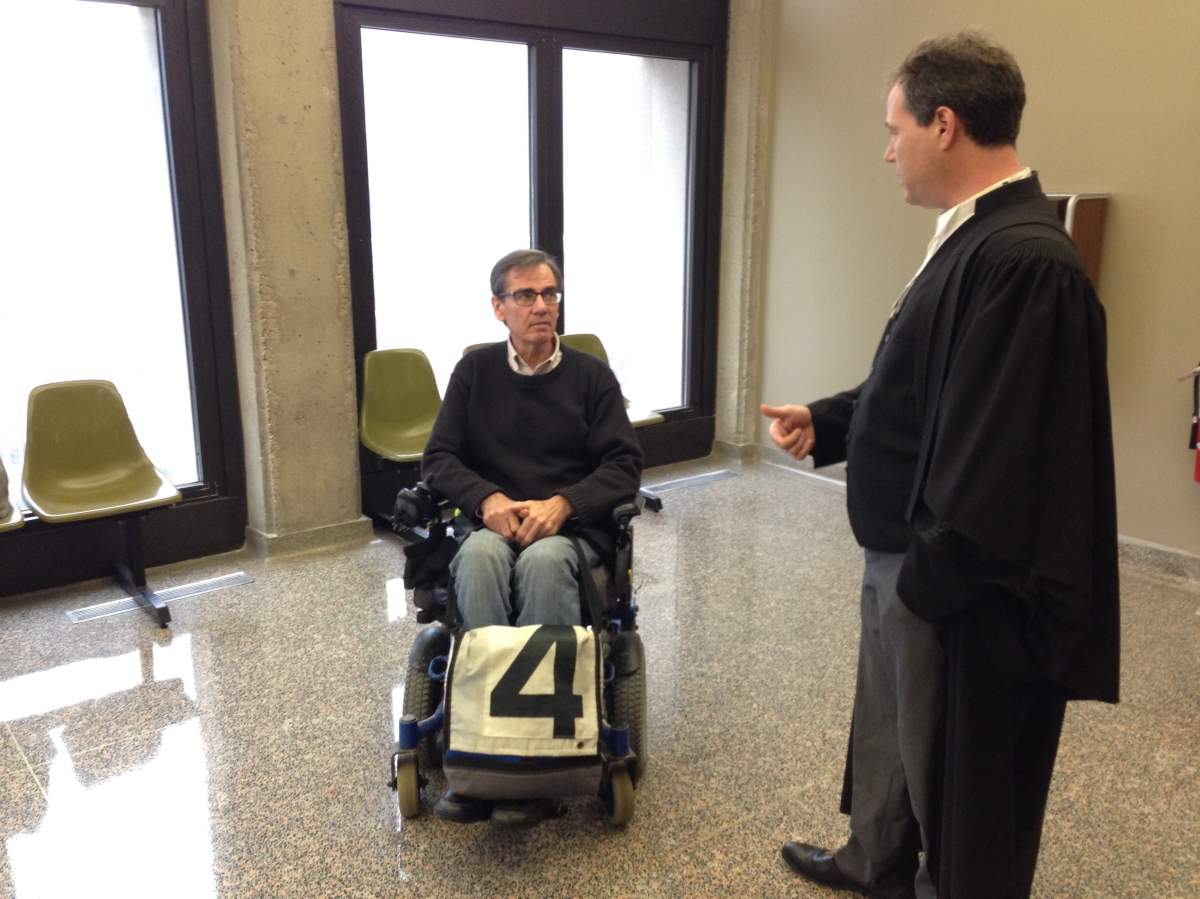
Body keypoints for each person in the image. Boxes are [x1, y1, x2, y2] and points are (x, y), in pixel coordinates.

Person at [763, 32, 1119, 899]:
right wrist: (832, 419)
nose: (888, 150)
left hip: (950, 584)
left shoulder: (1027, 261)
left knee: (947, 761)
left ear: (946, 124)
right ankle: (871, 859)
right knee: (889, 735)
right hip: (905, 559)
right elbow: (921, 386)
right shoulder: (970, 236)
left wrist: (926, 581)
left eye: (895, 129)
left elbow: (998, 451)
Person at [421, 248, 643, 824]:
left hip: (568, 528)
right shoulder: (474, 373)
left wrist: (565, 503)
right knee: (479, 560)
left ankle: (538, 764)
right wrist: (486, 500)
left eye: (550, 294)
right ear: (498, 308)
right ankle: (480, 751)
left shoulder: (592, 378)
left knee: (544, 563)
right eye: (525, 295)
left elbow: (624, 465)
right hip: (493, 522)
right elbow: (438, 457)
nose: (541, 306)